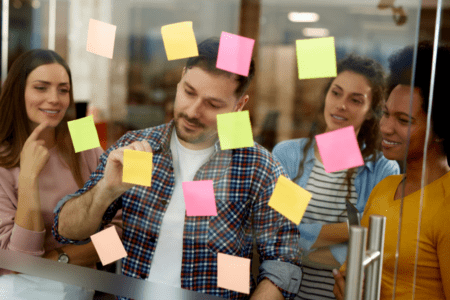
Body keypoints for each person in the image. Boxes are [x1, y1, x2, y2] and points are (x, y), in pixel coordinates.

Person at [52, 38, 302, 300]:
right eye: (189, 92)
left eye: (213, 104)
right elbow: (66, 230)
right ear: (181, 79)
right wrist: (105, 190)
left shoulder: (261, 167)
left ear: (239, 105)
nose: (193, 111)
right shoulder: (135, 147)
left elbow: (283, 262)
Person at [273, 55, 400, 299]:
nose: (341, 105)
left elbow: (377, 245)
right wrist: (353, 231)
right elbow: (279, 234)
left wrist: (304, 242)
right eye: (336, 93)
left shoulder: (383, 170)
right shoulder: (289, 156)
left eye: (355, 100)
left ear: (371, 111)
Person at [0, 49, 122, 300]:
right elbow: (18, 260)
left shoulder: (82, 136)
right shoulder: (2, 155)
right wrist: (28, 178)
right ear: (18, 92)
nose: (54, 99)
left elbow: (120, 234)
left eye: (63, 90)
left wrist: (61, 258)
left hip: (80, 289)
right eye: (41, 88)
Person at [333, 42, 450, 299]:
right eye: (386, 114)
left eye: (403, 120)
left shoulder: (445, 204)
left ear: (440, 128)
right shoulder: (385, 187)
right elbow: (355, 268)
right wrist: (345, 284)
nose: (386, 127)